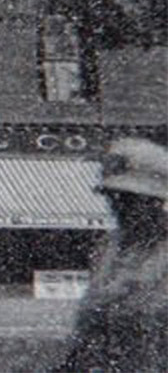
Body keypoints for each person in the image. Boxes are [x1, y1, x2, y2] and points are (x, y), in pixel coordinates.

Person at [55, 138, 168, 373]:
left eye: (130, 199)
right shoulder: (110, 247)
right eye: (112, 197)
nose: (117, 207)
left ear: (158, 200)